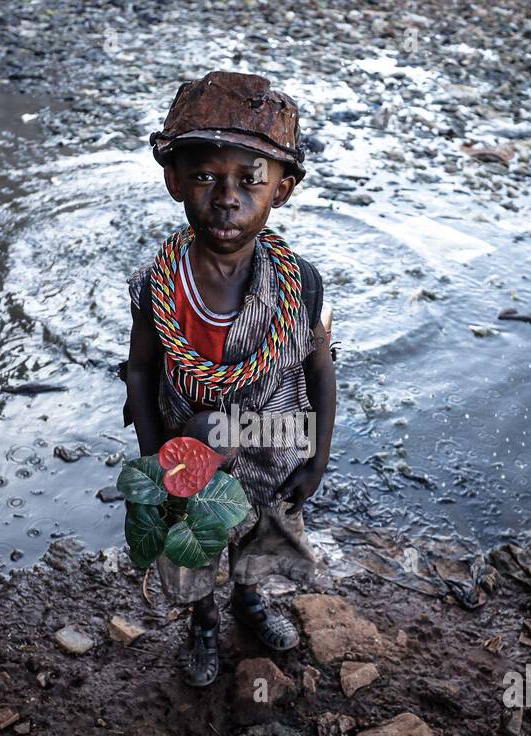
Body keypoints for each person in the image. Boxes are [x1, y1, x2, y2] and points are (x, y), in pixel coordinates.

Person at [124, 71, 336, 687]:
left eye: (252, 181)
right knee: (193, 541)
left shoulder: (302, 285)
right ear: (174, 181)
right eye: (206, 177)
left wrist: (317, 459)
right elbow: (139, 371)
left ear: (284, 190)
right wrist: (152, 462)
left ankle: (248, 602)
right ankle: (203, 623)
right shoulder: (157, 284)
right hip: (187, 453)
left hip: (273, 446)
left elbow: (321, 372)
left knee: (262, 535)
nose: (226, 198)